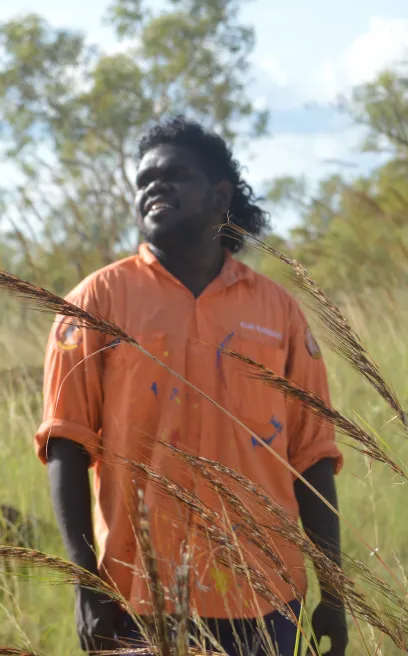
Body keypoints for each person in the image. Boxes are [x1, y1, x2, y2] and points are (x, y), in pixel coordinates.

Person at [39, 117, 347, 656]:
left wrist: (335, 593)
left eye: (174, 175)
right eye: (143, 182)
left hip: (267, 598)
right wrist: (87, 584)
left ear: (219, 195)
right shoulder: (97, 300)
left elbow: (314, 457)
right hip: (138, 597)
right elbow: (65, 443)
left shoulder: (279, 311)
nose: (154, 188)